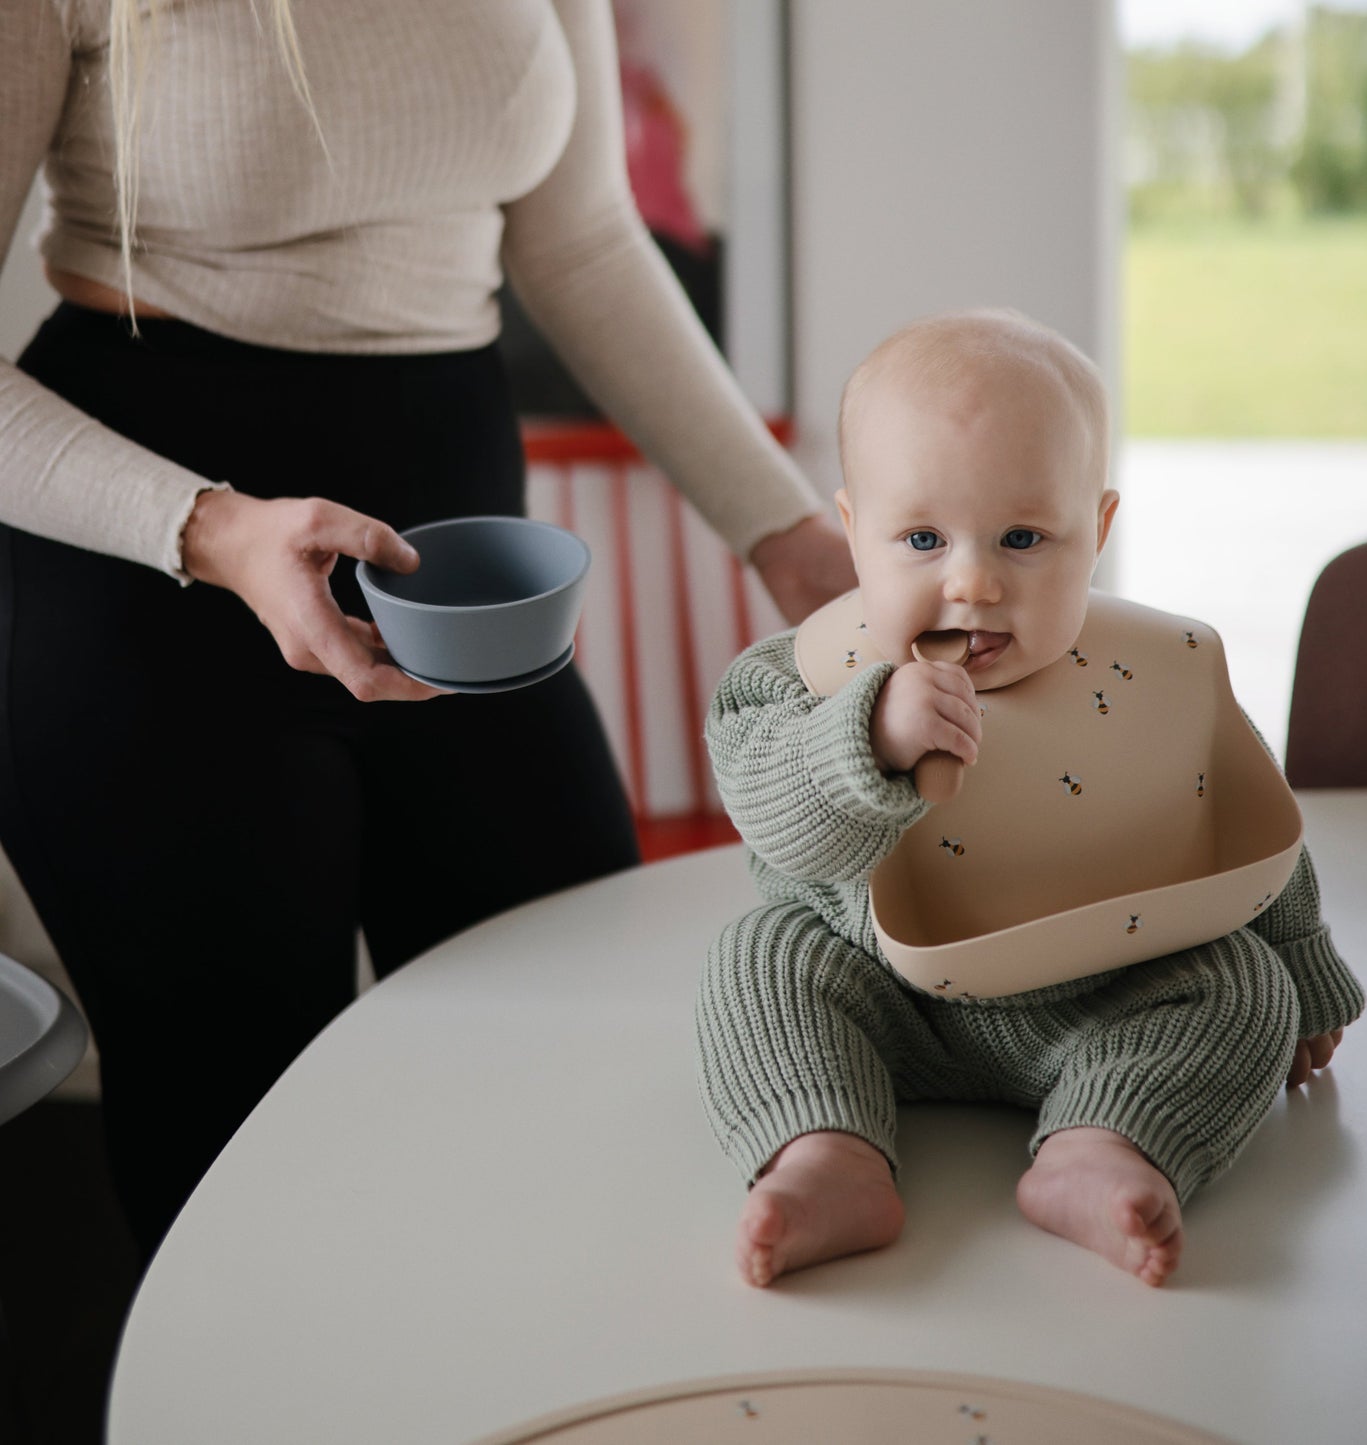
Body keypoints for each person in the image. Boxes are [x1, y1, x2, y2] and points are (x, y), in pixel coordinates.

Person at [0, 0, 853, 1262]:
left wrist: (786, 537)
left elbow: (587, 241)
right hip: (150, 588)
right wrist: (217, 531)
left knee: (580, 1071)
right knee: (236, 1141)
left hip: (456, 581)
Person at [696, 310, 1365, 1290]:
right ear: (852, 529)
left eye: (1020, 537)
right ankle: (824, 1150)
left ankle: (1103, 1146)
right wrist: (866, 738)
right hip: (877, 993)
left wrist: (1302, 960)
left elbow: (1235, 815)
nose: (971, 580)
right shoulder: (801, 675)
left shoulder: (1161, 669)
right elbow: (769, 810)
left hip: (1110, 990)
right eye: (920, 537)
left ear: (1092, 530)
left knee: (1239, 988)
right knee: (758, 959)